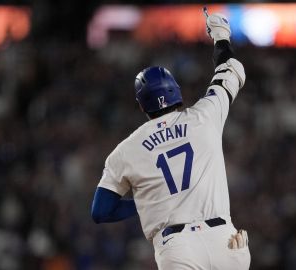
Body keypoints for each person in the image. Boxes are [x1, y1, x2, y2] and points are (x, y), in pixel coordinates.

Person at [91, 10, 251, 270]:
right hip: (225, 241)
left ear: (142, 106)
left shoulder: (126, 150)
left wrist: (145, 203)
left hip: (178, 248)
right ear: (176, 91)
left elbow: (100, 211)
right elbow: (232, 70)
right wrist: (221, 35)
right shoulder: (205, 115)